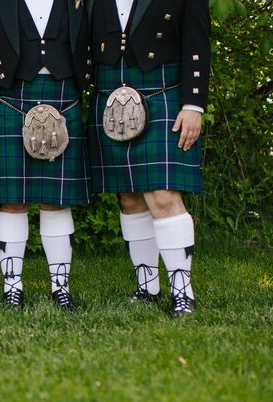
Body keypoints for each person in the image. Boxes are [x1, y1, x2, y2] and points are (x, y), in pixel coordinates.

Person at [87, 0, 210, 316]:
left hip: (162, 91)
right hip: (110, 97)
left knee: (163, 195)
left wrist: (193, 105)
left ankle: (183, 293)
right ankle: (147, 286)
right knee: (129, 199)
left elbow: (197, 42)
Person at [0, 0, 92, 309]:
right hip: (12, 94)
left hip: (64, 92)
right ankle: (12, 287)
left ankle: (60, 287)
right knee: (12, 199)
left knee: (56, 199)